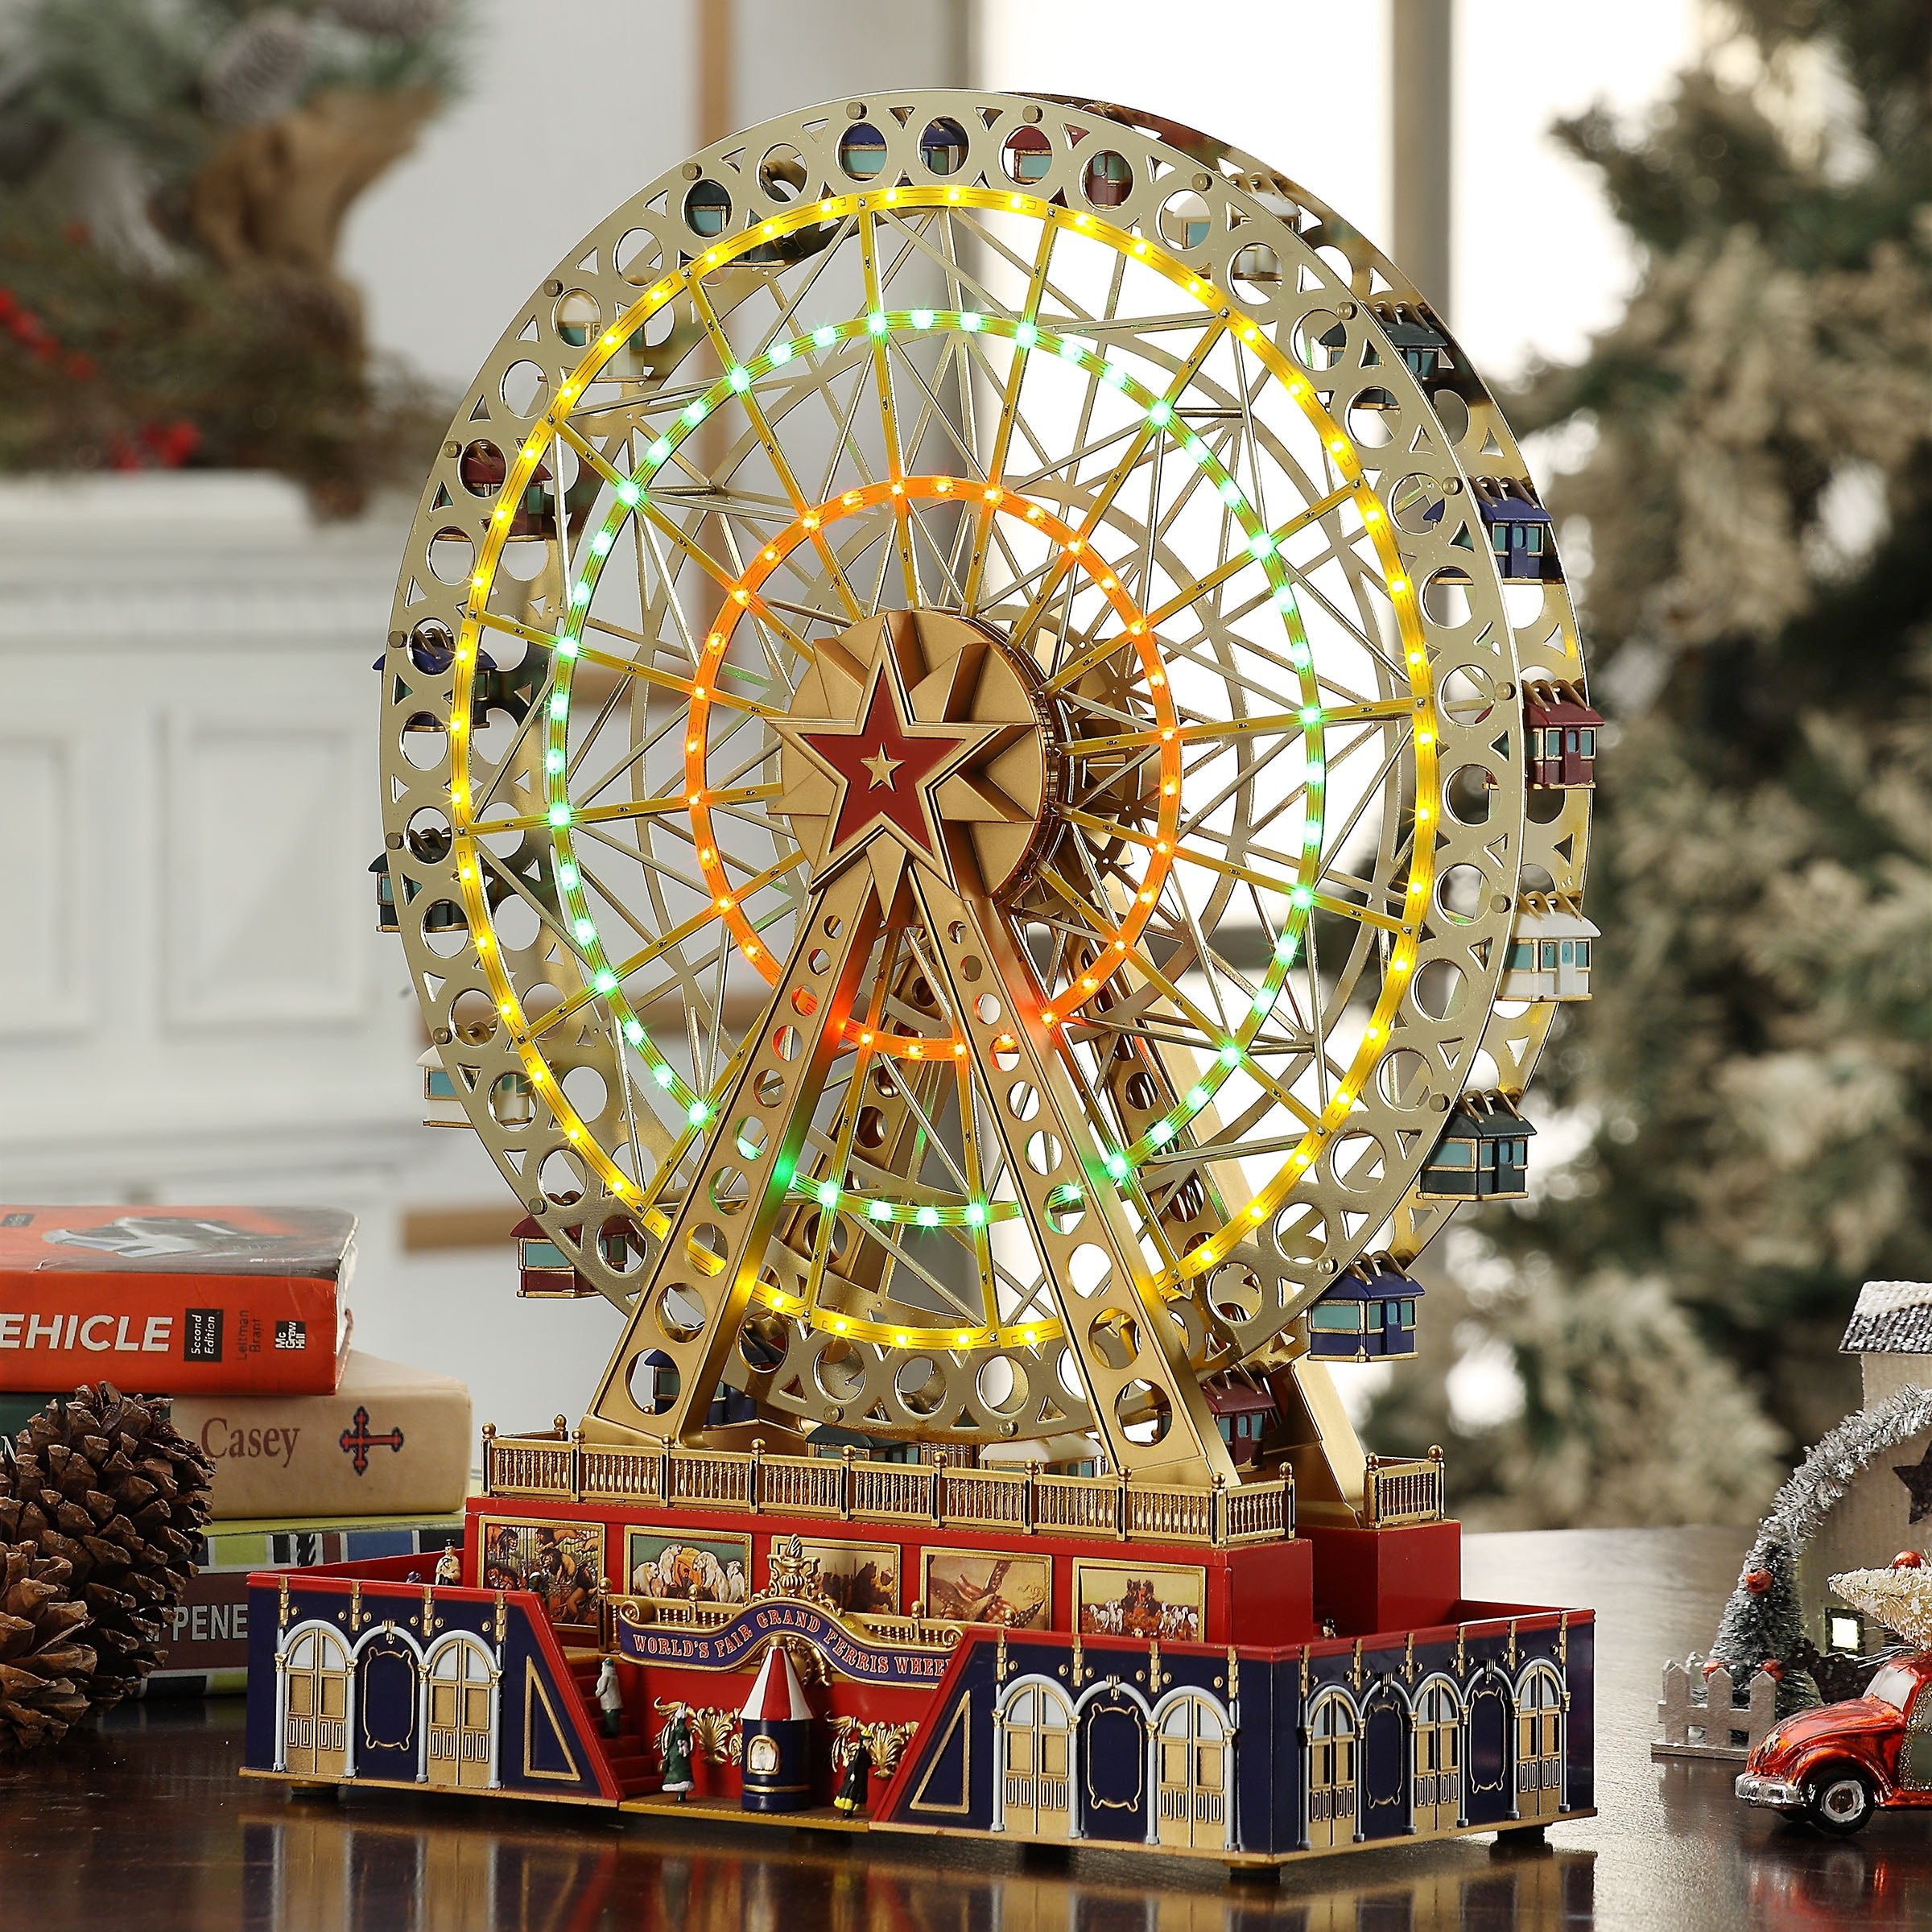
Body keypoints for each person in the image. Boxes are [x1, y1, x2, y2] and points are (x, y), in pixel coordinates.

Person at [659, 1708, 695, 1801]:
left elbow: (671, 1741)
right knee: (684, 1772)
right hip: (684, 1753)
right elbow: (690, 1742)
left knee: (675, 1770)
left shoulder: (675, 1730)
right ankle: (681, 1795)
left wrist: (667, 1751)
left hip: (675, 1752)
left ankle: (679, 1793)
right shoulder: (686, 1731)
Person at [833, 1736, 872, 1816]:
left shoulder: (865, 1753)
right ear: (863, 1742)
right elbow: (855, 1763)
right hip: (857, 1774)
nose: (870, 1743)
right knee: (852, 1790)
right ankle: (847, 1810)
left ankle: (851, 1808)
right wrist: (853, 1773)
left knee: (858, 1791)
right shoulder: (860, 1752)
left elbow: (869, 1763)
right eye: (868, 1741)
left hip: (862, 1775)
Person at [595, 1656, 623, 1738]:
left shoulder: (605, 1676)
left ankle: (612, 1733)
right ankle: (614, 1732)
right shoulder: (614, 1676)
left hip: (609, 1703)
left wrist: (597, 1694)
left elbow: (602, 1689)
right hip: (615, 1702)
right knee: (614, 1719)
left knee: (610, 1718)